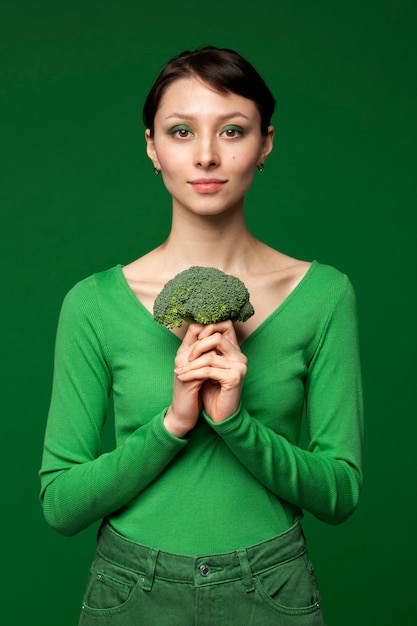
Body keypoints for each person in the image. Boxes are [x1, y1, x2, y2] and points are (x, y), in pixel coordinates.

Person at [39, 46, 363, 625]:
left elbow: (339, 494)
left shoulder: (325, 295)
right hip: (131, 589)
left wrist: (235, 425)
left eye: (232, 131)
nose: (207, 156)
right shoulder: (91, 304)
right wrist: (173, 425)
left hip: (271, 588)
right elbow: (60, 505)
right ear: (151, 147)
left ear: (265, 144)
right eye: (182, 131)